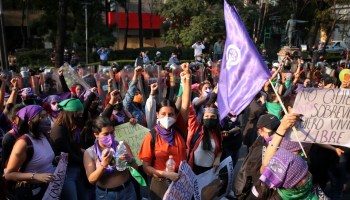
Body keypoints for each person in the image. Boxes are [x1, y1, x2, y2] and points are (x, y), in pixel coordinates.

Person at [138, 63, 191, 199]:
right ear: (157, 115)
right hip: (160, 185)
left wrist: (187, 80)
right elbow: (146, 167)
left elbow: (185, 104)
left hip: (181, 182)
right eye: (163, 114)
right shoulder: (151, 136)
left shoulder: (179, 129)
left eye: (171, 114)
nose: (167, 117)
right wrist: (165, 174)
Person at [5, 105, 55, 200]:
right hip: (30, 193)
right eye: (41, 117)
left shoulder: (44, 136)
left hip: (46, 189)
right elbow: (9, 174)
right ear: (30, 122)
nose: (47, 120)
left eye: (46, 116)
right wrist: (36, 176)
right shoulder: (23, 143)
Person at [83, 116, 137, 200]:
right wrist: (103, 165)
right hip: (105, 195)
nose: (110, 136)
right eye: (106, 134)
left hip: (127, 192)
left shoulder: (122, 146)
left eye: (112, 132)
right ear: (96, 134)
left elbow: (136, 168)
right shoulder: (90, 153)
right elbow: (91, 180)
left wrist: (130, 160)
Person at [234, 114, 281, 199]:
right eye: (272, 130)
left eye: (277, 129)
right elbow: (253, 172)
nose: (276, 133)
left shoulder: (281, 143)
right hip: (261, 191)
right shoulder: (259, 148)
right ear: (260, 131)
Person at [50, 98, 89, 200]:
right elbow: (68, 155)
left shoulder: (72, 128)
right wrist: (87, 160)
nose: (80, 117)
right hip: (67, 174)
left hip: (77, 170)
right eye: (78, 114)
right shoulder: (58, 130)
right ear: (70, 114)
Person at [187, 103, 222, 175]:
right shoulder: (195, 129)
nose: (209, 118)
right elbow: (189, 110)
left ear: (217, 118)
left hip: (210, 172)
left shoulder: (218, 134)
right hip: (193, 170)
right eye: (206, 116)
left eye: (213, 116)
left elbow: (220, 150)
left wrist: (218, 158)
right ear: (203, 117)